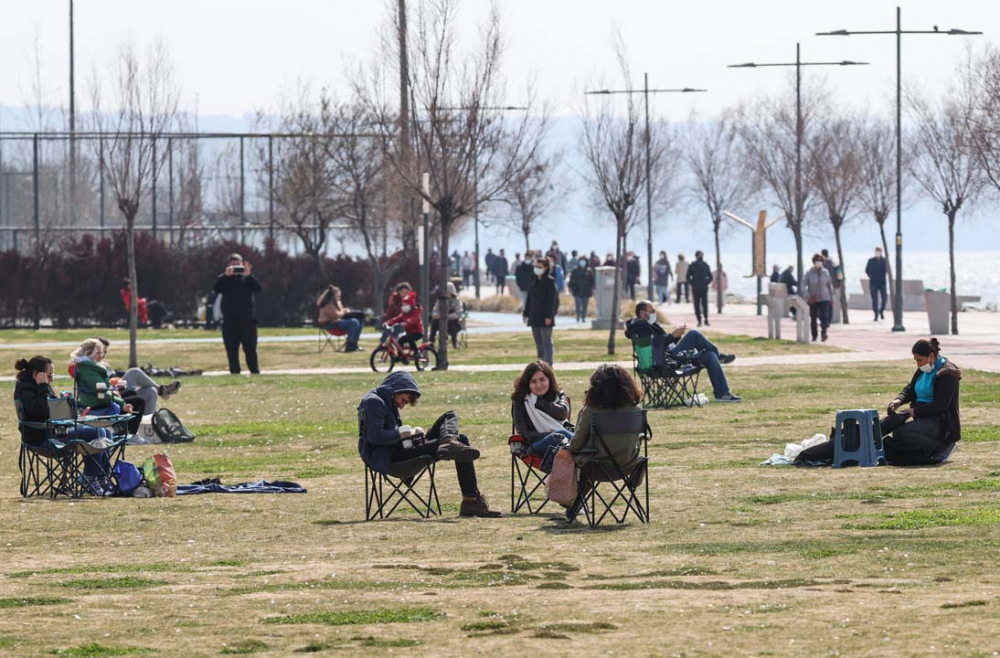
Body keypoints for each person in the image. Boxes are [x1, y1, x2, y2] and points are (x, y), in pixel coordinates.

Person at [357, 371, 501, 517]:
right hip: (391, 459)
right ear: (396, 389)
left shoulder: (385, 400)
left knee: (450, 416)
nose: (402, 406)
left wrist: (413, 435)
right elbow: (375, 437)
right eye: (404, 400)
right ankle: (471, 501)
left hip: (400, 450)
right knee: (461, 440)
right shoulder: (374, 401)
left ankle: (449, 441)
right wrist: (404, 434)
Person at [16, 356, 120, 495]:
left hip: (55, 432)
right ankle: (89, 478)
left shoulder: (38, 386)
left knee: (106, 432)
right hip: (43, 440)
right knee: (96, 433)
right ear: (37, 374)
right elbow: (40, 410)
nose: (52, 378)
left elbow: (51, 411)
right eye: (50, 375)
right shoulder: (26, 389)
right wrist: (43, 386)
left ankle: (101, 477)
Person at [564, 364, 644, 520]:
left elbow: (576, 443)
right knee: (589, 457)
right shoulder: (636, 410)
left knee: (574, 455)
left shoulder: (591, 410)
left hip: (596, 468)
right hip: (629, 466)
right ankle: (574, 504)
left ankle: (571, 502)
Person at [624, 300, 741, 403]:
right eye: (652, 310)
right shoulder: (641, 327)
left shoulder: (643, 326)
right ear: (643, 313)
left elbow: (662, 343)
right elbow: (657, 345)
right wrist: (672, 335)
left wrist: (675, 336)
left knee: (710, 356)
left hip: (667, 356)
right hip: (665, 362)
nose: (655, 313)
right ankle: (719, 357)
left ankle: (722, 394)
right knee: (694, 334)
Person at [883, 338, 962, 465]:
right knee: (892, 427)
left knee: (902, 433)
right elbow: (911, 388)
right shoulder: (924, 368)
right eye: (916, 361)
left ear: (931, 356)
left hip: (939, 421)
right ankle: (917, 454)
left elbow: (941, 405)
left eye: (919, 360)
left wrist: (915, 412)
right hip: (922, 417)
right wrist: (899, 400)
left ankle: (941, 447)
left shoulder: (948, 373)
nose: (918, 364)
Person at [510, 361, 574, 466]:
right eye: (533, 381)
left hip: (565, 444)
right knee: (560, 436)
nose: (539, 385)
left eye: (542, 379)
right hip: (535, 445)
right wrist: (550, 435)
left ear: (549, 380)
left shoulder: (558, 395)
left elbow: (562, 413)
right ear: (528, 384)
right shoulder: (521, 401)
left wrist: (540, 403)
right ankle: (589, 448)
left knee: (564, 437)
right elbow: (524, 434)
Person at [212, 253, 262, 374]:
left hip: (247, 320)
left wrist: (248, 275)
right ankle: (235, 372)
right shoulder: (224, 279)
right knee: (231, 349)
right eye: (233, 265)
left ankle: (254, 370)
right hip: (230, 321)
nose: (236, 267)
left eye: (238, 265)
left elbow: (258, 288)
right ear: (228, 265)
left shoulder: (247, 279)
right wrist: (226, 276)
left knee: (250, 348)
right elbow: (216, 288)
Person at [523, 256, 559, 365]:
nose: (537, 268)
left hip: (545, 317)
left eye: (540, 267)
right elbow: (529, 298)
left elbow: (552, 301)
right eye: (536, 266)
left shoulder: (550, 282)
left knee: (546, 342)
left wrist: (549, 316)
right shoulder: (533, 280)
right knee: (539, 343)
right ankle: (540, 364)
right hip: (534, 316)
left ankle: (548, 364)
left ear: (545, 268)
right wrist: (526, 313)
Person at [317, 285, 363, 353]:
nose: (339, 297)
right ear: (333, 296)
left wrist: (344, 310)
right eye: (338, 296)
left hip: (337, 322)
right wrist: (344, 311)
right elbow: (336, 315)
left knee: (360, 319)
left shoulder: (336, 303)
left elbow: (339, 313)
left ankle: (354, 343)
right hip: (331, 325)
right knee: (354, 322)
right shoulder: (328, 304)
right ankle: (349, 345)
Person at [804, 253, 835, 342]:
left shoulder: (826, 272)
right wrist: (807, 295)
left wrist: (832, 298)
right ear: (814, 262)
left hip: (825, 297)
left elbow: (829, 285)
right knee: (813, 317)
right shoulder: (809, 273)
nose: (819, 262)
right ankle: (814, 335)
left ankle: (824, 333)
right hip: (813, 299)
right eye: (817, 261)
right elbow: (803, 285)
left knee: (824, 316)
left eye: (820, 261)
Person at [384, 290, 424, 356]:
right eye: (403, 305)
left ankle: (417, 352)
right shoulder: (404, 314)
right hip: (410, 332)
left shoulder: (416, 312)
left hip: (418, 332)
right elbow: (397, 318)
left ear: (411, 305)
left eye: (406, 305)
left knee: (409, 338)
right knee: (400, 341)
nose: (403, 306)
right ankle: (401, 356)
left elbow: (413, 319)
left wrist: (406, 322)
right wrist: (388, 323)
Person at [429, 282, 464, 349]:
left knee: (452, 323)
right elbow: (435, 310)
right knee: (434, 322)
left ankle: (454, 342)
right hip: (440, 322)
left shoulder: (457, 301)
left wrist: (446, 316)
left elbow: (458, 314)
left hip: (453, 323)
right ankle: (431, 342)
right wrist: (435, 315)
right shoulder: (439, 300)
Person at [686, 251, 713, 327]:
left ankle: (706, 319)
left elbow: (710, 277)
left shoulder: (705, 265)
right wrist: (693, 283)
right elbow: (688, 277)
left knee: (705, 304)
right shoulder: (692, 265)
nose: (700, 257)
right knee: (697, 305)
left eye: (701, 255)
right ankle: (699, 320)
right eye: (699, 255)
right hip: (696, 288)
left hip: (704, 288)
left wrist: (706, 282)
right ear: (696, 256)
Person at [568, 256, 595, 323]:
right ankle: (578, 317)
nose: (582, 262)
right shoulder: (575, 270)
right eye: (581, 260)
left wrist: (593, 289)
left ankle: (583, 317)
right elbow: (571, 280)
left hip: (586, 291)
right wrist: (570, 288)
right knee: (578, 305)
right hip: (577, 291)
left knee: (585, 306)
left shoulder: (589, 271)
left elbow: (592, 281)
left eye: (584, 260)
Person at [866, 246, 889, 322]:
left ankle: (881, 310)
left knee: (884, 298)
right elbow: (867, 270)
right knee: (874, 300)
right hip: (874, 282)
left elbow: (888, 270)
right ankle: (876, 314)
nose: (877, 253)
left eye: (879, 251)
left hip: (882, 282)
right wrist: (870, 275)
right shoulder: (871, 260)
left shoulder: (884, 261)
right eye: (876, 251)